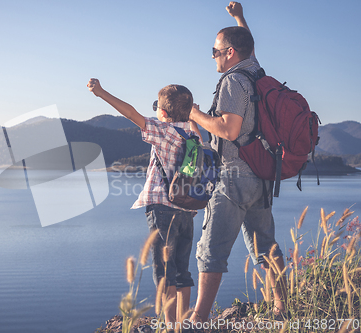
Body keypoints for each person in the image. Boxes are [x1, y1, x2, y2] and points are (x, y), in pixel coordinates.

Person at [188, 2, 287, 324]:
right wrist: (238, 19)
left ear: (230, 52)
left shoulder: (233, 81)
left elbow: (229, 129)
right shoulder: (256, 72)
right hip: (261, 175)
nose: (213, 56)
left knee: (210, 250)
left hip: (233, 177)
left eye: (215, 51)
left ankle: (198, 320)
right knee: (266, 247)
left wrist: (194, 114)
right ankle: (281, 309)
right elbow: (250, 45)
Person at [87, 78, 201, 330]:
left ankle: (170, 325)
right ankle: (183, 323)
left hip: (162, 208)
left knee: (164, 271)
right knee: (183, 270)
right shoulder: (193, 135)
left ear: (162, 112)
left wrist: (101, 93)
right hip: (187, 210)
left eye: (157, 109)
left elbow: (130, 113)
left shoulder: (163, 131)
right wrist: (191, 116)